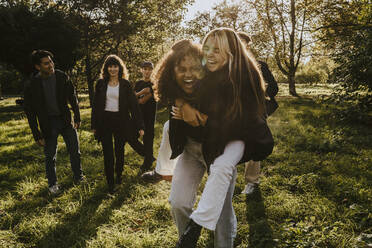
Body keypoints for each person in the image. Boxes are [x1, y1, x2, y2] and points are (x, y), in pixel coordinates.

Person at [166, 29, 274, 248]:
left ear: (232, 52)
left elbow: (245, 125)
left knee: (222, 207)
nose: (210, 55)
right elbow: (169, 82)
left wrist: (205, 119)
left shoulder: (248, 77)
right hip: (192, 147)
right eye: (207, 49)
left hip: (223, 147)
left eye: (217, 50)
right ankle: (187, 239)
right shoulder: (201, 70)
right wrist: (181, 102)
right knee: (178, 203)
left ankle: (216, 239)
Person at [24, 50, 84, 195]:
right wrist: (36, 134)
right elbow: (30, 112)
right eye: (46, 63)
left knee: (75, 151)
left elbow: (72, 97)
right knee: (50, 156)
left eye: (51, 62)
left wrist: (77, 116)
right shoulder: (32, 85)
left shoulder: (61, 76)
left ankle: (79, 177)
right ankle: (53, 184)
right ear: (38, 67)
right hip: (48, 124)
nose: (51, 65)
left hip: (65, 120)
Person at [91, 55, 144, 194]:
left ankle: (118, 175)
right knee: (108, 153)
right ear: (106, 68)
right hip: (105, 121)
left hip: (121, 121)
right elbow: (95, 106)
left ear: (120, 68)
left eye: (115, 66)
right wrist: (94, 126)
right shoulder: (101, 84)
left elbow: (134, 106)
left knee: (119, 151)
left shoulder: (125, 84)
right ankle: (110, 182)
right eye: (110, 66)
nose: (113, 69)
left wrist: (139, 126)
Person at [237, 31, 279, 194]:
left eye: (242, 42)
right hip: (234, 112)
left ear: (247, 44)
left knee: (253, 142)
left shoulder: (260, 65)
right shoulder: (227, 66)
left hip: (256, 111)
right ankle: (228, 178)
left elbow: (274, 88)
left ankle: (252, 182)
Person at [133, 61, 157, 171]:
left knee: (148, 138)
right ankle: (148, 155)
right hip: (138, 115)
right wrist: (142, 93)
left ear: (152, 70)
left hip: (150, 115)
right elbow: (134, 100)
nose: (147, 71)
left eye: (149, 69)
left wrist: (139, 95)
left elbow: (142, 100)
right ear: (141, 70)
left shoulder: (155, 83)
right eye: (145, 69)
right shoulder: (138, 83)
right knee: (132, 136)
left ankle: (147, 163)